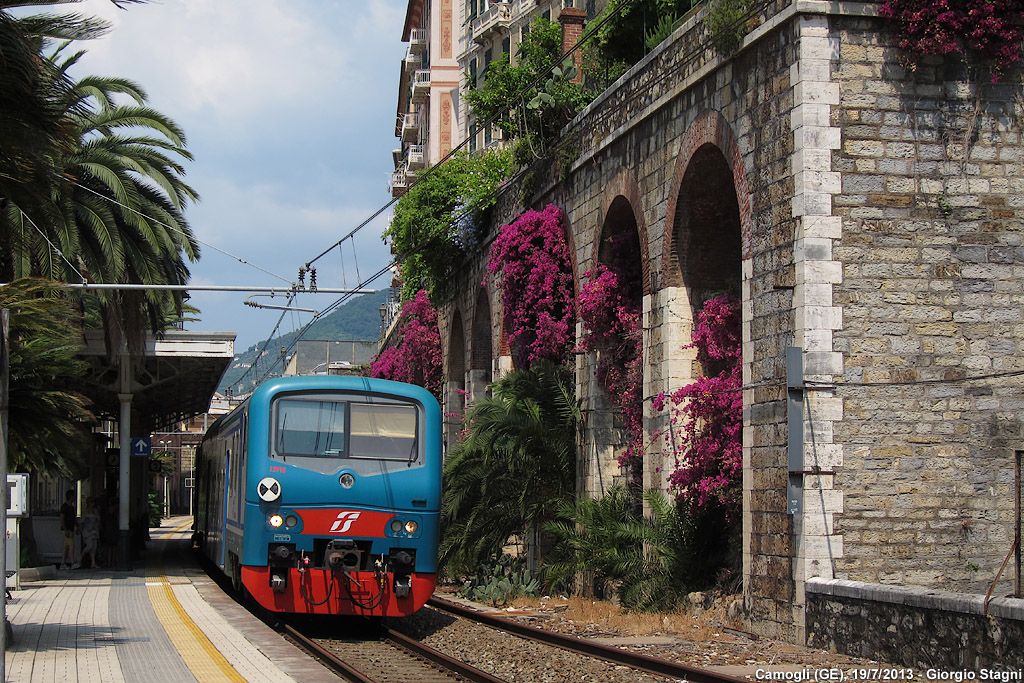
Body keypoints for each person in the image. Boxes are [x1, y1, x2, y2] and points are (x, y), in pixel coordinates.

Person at [78, 498, 101, 569]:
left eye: (93, 502)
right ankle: (80, 557)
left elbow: (98, 519)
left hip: (95, 530)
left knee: (94, 547)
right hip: (87, 530)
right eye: (91, 502)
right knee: (89, 545)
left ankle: (93, 563)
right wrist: (80, 528)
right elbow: (81, 521)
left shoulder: (95, 510)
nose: (92, 503)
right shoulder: (85, 511)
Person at [59, 490, 79, 570]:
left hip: (71, 528)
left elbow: (74, 519)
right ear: (70, 496)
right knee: (71, 545)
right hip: (67, 529)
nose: (74, 497)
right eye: (73, 496)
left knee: (66, 547)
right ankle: (72, 562)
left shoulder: (72, 508)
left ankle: (63, 563)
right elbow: (62, 519)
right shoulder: (65, 507)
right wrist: (65, 529)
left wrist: (77, 526)